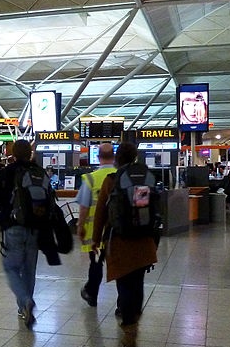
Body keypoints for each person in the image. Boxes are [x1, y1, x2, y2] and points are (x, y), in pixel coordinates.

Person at [92, 142, 159, 347]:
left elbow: (101, 214)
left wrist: (95, 239)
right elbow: (146, 209)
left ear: (117, 158)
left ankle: (128, 320)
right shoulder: (146, 178)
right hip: (143, 239)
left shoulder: (112, 180)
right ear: (135, 157)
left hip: (119, 240)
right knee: (137, 281)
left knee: (124, 282)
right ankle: (132, 316)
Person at [0, 139, 43, 329]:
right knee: (29, 269)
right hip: (35, 228)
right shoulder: (38, 173)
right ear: (30, 153)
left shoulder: (5, 173)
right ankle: (24, 305)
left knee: (11, 267)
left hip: (12, 226)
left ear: (13, 154)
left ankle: (25, 301)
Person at [76, 143, 117, 307]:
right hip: (118, 230)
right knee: (120, 265)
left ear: (98, 157)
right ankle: (122, 305)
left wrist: (80, 225)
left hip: (97, 233)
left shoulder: (91, 178)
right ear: (113, 157)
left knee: (96, 263)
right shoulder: (120, 175)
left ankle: (91, 294)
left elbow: (84, 206)